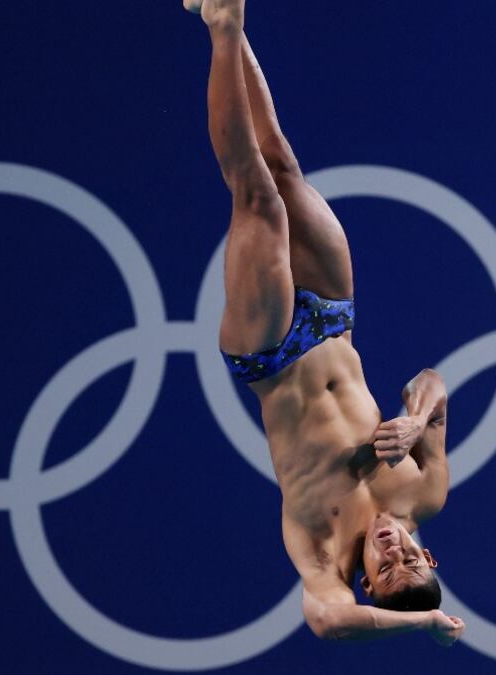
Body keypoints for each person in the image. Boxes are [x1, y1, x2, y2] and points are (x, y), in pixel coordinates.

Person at [186, 0, 465, 646]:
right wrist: (417, 420)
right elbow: (434, 382)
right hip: (334, 320)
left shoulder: (321, 559)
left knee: (255, 195)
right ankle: (226, 20)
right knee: (281, 163)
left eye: (384, 567)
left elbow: (326, 621)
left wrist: (422, 619)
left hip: (271, 352)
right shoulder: (426, 494)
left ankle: (221, 26)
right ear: (431, 556)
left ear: (366, 582)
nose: (392, 548)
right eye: (410, 558)